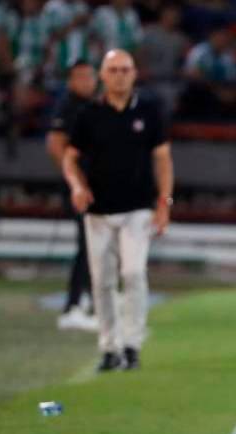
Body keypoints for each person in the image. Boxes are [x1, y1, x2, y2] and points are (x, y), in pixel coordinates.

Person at [62, 49, 174, 372]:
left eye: (125, 69)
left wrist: (164, 202)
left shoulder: (149, 111)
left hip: (139, 207)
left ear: (135, 73)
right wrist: (78, 186)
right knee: (102, 281)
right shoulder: (88, 114)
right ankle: (110, 347)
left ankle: (132, 345)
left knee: (134, 273)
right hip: (98, 210)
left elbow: (163, 159)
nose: (120, 75)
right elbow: (70, 158)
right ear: (102, 75)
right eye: (113, 70)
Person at [47, 59, 98, 331]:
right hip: (81, 187)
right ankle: (73, 306)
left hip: (96, 184)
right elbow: (55, 145)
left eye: (90, 77)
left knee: (95, 245)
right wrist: (76, 181)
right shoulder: (67, 106)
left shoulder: (92, 105)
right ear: (71, 81)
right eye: (80, 78)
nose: (86, 82)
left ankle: (89, 301)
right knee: (87, 244)